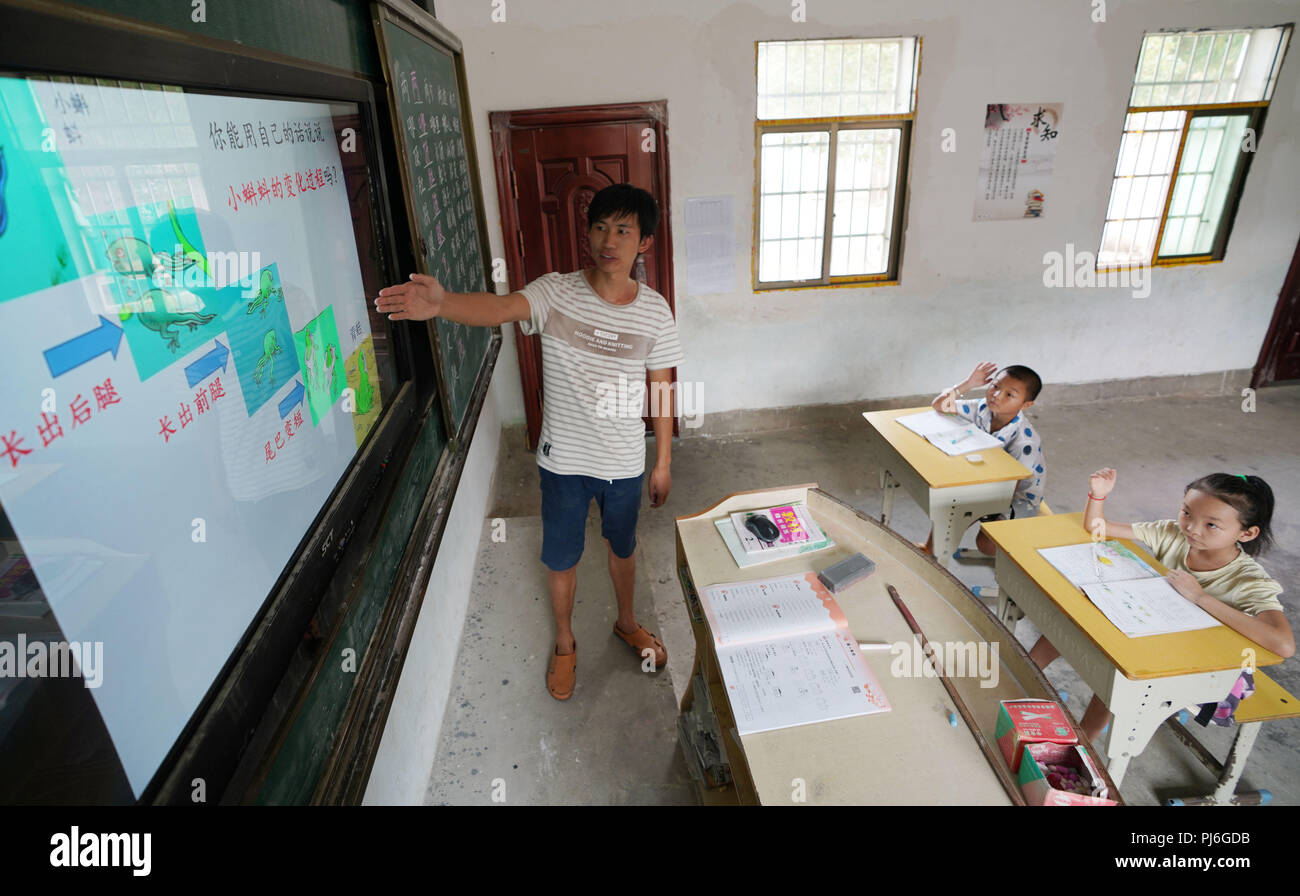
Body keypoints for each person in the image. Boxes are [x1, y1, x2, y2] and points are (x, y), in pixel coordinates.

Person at [374, 183, 683, 701]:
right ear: (588, 233)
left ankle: (627, 622)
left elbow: (662, 387)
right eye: (600, 227)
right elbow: (500, 309)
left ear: (644, 243)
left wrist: (663, 461)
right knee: (560, 559)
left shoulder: (655, 312)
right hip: (563, 463)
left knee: (622, 550)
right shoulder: (555, 292)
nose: (609, 240)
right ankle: (565, 641)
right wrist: (444, 302)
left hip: (624, 463)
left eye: (623, 230)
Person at [1030, 469, 1295, 739]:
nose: (1191, 528)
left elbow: (1283, 644)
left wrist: (1200, 597)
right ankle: (1019, 676)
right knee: (1071, 620)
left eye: (1211, 525)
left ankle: (1084, 738)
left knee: (1124, 672)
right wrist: (1097, 496)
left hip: (1209, 672)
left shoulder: (1248, 579)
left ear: (1247, 533)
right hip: (1154, 636)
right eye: (1187, 512)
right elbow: (1098, 527)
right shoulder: (1173, 533)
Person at [923, 361, 1046, 555]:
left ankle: (1017, 560)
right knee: (950, 509)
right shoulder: (982, 408)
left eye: (1009, 394)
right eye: (995, 386)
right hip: (984, 479)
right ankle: (931, 552)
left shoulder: (1025, 442)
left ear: (1026, 405)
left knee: (986, 544)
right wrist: (968, 383)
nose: (996, 395)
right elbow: (940, 405)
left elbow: (1015, 484)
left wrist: (973, 500)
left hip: (1018, 496)